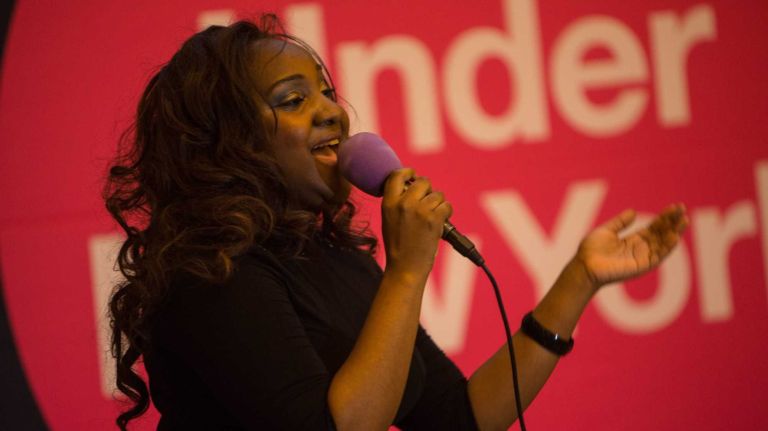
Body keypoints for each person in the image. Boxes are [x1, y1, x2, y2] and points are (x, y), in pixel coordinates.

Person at [105, 16, 688, 431]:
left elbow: (459, 417)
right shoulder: (211, 275)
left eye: (327, 92)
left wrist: (578, 280)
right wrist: (407, 272)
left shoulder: (332, 256)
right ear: (224, 142)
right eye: (293, 100)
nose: (332, 110)